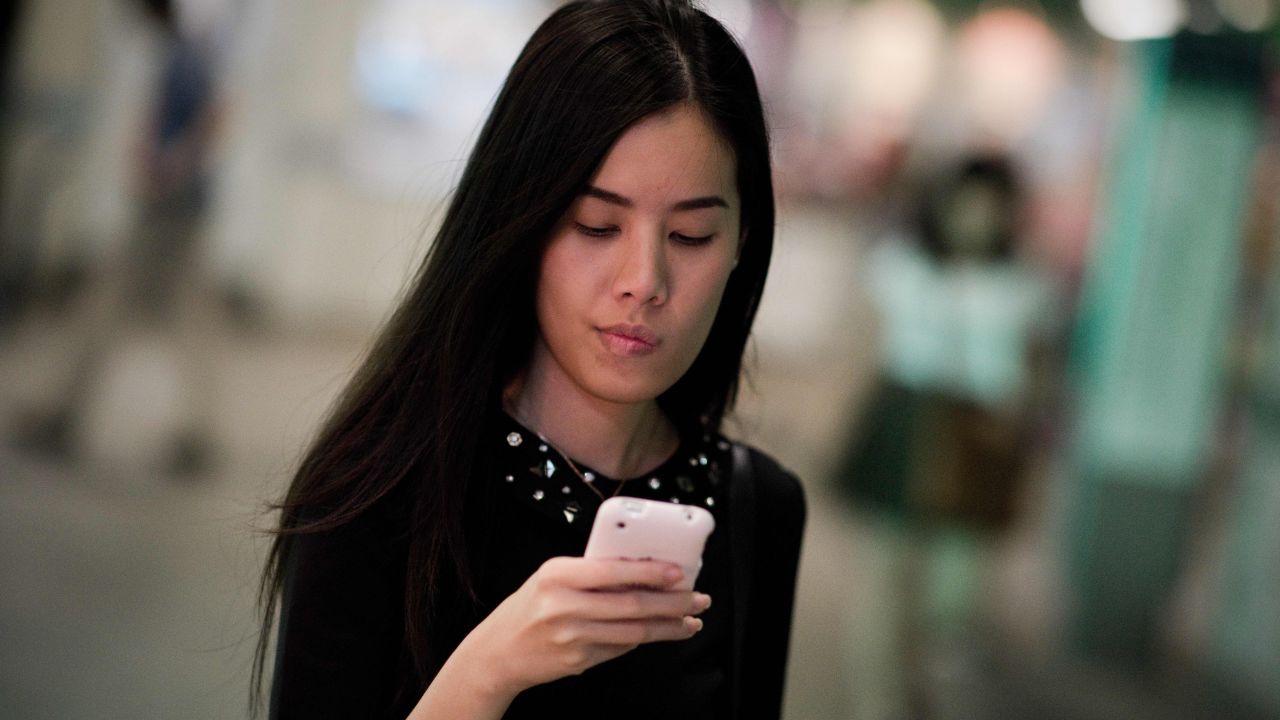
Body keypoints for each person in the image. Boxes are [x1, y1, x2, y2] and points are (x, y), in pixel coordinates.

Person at [253, 2, 806, 719]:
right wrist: (485, 674)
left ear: (741, 245)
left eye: (692, 235)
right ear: (521, 222)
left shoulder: (757, 508)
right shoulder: (380, 498)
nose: (644, 279)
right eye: (596, 225)